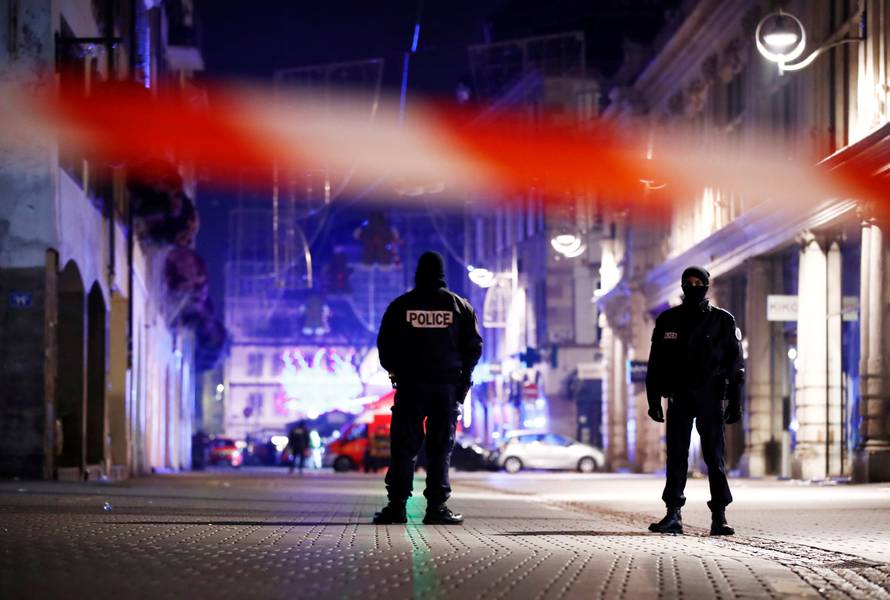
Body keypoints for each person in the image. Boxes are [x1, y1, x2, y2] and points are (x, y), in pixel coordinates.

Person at [373, 251, 483, 525]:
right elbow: (474, 347)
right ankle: (436, 507)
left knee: (404, 447)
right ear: (442, 274)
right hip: (446, 388)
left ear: (418, 272)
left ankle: (396, 506)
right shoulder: (459, 306)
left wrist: (396, 373)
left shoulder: (401, 306)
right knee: (439, 448)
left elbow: (385, 346)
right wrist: (463, 378)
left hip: (410, 386)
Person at [645, 266, 744, 536]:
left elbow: (735, 365)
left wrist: (735, 401)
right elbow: (655, 364)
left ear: (706, 285)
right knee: (676, 456)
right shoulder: (668, 320)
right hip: (679, 397)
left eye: (698, 281)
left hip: (711, 398)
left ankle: (719, 516)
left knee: (715, 457)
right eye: (687, 282)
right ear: (681, 285)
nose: (693, 285)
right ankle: (673, 513)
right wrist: (653, 398)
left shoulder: (723, 321)